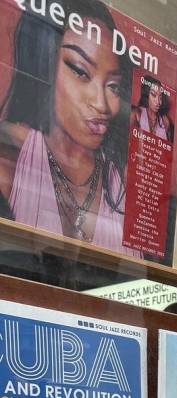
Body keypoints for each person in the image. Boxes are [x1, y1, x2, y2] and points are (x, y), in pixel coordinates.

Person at [0, 0, 135, 253]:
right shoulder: (9, 158)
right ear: (44, 64)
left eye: (113, 86)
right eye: (80, 71)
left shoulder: (124, 184)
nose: (101, 104)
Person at [131, 75, 174, 143]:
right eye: (154, 95)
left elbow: (170, 148)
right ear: (146, 95)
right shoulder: (136, 114)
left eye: (160, 97)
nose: (158, 102)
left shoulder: (165, 121)